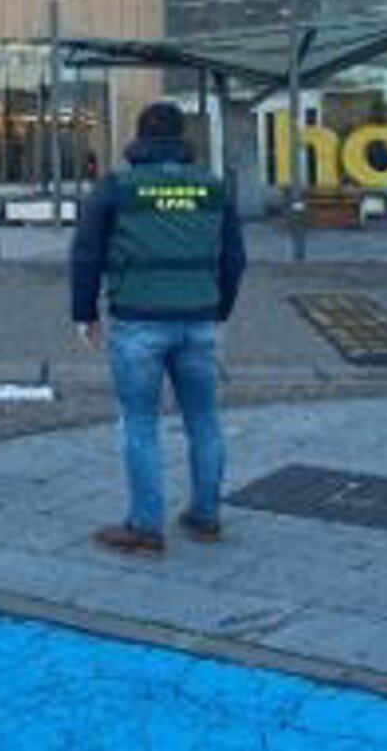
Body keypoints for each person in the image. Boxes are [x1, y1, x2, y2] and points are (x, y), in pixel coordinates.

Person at [70, 101, 246, 557]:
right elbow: (234, 259)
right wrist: (217, 308)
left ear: (140, 137)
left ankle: (146, 528)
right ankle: (206, 518)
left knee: (139, 424)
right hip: (199, 321)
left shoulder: (115, 188)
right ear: (182, 138)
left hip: (138, 322)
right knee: (204, 421)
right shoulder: (214, 188)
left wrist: (84, 313)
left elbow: (86, 253)